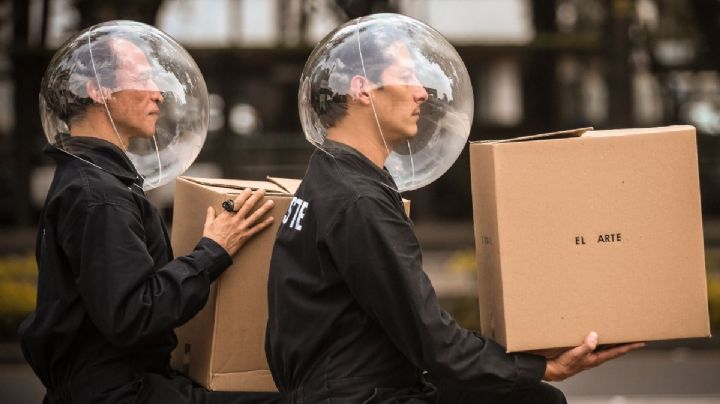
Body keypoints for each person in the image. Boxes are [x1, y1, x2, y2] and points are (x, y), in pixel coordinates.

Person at [266, 14, 644, 404]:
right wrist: (542, 368)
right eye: (407, 77)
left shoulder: (326, 175)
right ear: (363, 90)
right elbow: (433, 342)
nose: (422, 93)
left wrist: (521, 360)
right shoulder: (358, 200)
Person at [19, 21, 281, 404]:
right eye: (143, 77)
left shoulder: (90, 179)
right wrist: (214, 251)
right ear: (98, 90)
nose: (159, 94)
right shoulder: (98, 195)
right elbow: (134, 314)